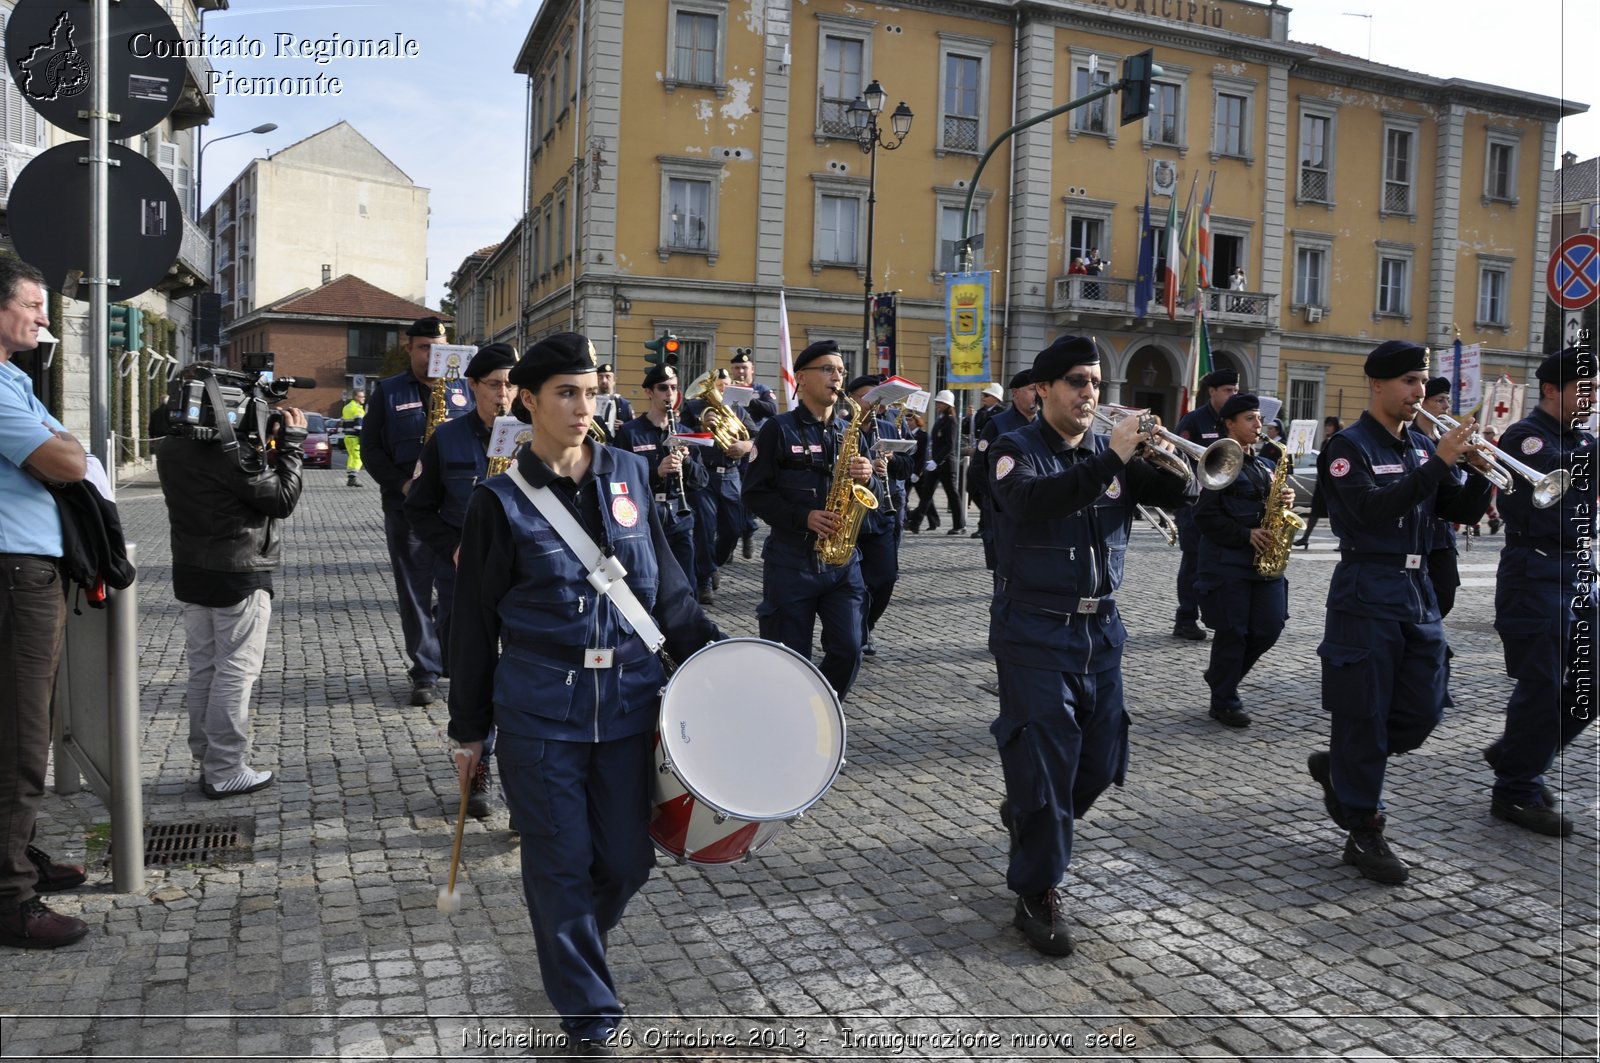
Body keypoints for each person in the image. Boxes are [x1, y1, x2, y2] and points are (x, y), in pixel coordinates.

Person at [447, 333, 723, 1054]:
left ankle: (569, 936)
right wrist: (469, 729)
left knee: (628, 860)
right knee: (560, 860)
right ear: (528, 400)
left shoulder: (630, 471)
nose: (581, 406)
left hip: (631, 700)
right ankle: (590, 1017)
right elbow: (473, 624)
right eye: (565, 393)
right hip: (541, 709)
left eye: (590, 392)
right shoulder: (499, 502)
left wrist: (721, 663)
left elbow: (667, 587)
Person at [987, 334, 1197, 956]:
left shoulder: (1117, 454)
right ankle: (1037, 887)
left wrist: (1162, 456)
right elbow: (1029, 503)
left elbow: (1187, 495)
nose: (1089, 394)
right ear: (1044, 388)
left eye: (1096, 384)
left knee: (1102, 761)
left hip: (1101, 631)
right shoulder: (1012, 450)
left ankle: (1031, 817)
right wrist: (1110, 459)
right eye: (1077, 382)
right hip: (1034, 630)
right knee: (1047, 768)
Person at [1307, 340, 1493, 884]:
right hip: (1368, 587)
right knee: (1363, 711)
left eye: (1423, 382)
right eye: (1410, 382)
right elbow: (1369, 511)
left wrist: (1478, 471)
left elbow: (1456, 508)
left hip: (1418, 589)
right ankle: (1365, 828)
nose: (1420, 394)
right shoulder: (1348, 447)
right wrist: (1439, 464)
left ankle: (1344, 772)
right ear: (1379, 384)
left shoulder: (1419, 444)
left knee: (1425, 707)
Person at [156, 359, 308, 802]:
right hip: (237, 572)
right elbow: (280, 499)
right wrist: (293, 446)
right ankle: (225, 769)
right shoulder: (231, 453)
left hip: (191, 571)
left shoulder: (171, 447)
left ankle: (207, 756)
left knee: (204, 667)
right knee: (235, 672)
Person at [0, 257, 92, 950]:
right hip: (13, 576)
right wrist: (63, 450)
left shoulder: (14, 379)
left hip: (30, 571)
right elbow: (68, 462)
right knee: (21, 736)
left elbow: (73, 452)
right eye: (34, 304)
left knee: (25, 723)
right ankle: (10, 896)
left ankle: (17, 856)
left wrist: (66, 449)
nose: (44, 316)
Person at [1484, 344, 1596, 837]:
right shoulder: (1526, 437)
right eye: (1584, 389)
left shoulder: (1585, 439)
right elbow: (1558, 485)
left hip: (1579, 568)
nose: (1592, 397)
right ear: (1552, 390)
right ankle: (1515, 790)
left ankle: (1517, 753)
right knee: (1543, 684)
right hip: (1535, 570)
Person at [403, 343, 518, 819]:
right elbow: (418, 508)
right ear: (472, 387)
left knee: (522, 677)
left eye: (511, 384)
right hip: (461, 579)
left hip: (519, 580)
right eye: (494, 384)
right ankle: (480, 765)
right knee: (472, 677)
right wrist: (451, 544)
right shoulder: (447, 439)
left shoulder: (533, 438)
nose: (504, 394)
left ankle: (519, 779)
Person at [742, 339, 879, 699]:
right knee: (787, 658)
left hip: (842, 563)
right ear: (802, 377)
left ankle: (821, 709)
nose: (838, 378)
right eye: (829, 369)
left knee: (849, 650)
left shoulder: (849, 431)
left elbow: (872, 493)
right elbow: (755, 493)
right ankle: (790, 717)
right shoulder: (778, 429)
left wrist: (869, 475)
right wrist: (804, 517)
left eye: (841, 371)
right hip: (792, 561)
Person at [361, 316, 474, 707]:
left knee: (458, 590)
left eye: (438, 347)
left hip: (456, 509)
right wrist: (402, 483)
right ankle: (424, 671)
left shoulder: (465, 389)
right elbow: (371, 449)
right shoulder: (388, 392)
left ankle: (452, 659)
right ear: (410, 348)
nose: (432, 355)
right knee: (415, 591)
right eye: (424, 347)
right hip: (407, 508)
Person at [1193, 394, 1294, 728]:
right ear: (1230, 424)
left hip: (1263, 565)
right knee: (1233, 633)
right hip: (1228, 563)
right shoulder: (1221, 462)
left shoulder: (1264, 465)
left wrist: (1283, 498)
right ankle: (1224, 700)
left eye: (1259, 419)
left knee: (1269, 628)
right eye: (1250, 418)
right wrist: (1245, 534)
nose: (1258, 425)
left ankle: (1221, 675)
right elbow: (1204, 516)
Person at [614, 364, 705, 594]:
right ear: (649, 392)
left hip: (679, 516)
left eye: (674, 388)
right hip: (646, 515)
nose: (669, 394)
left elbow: (701, 480)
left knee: (685, 585)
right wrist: (657, 472)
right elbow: (619, 482)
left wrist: (686, 462)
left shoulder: (686, 432)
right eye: (663, 388)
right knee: (648, 585)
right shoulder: (630, 432)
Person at [846, 374, 913, 657]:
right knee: (851, 581)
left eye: (877, 397)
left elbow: (909, 466)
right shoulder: (840, 427)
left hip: (881, 515)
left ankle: (866, 625)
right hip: (848, 515)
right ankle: (850, 631)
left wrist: (891, 461)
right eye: (867, 397)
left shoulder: (887, 427)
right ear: (852, 400)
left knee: (886, 578)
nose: (873, 403)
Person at [1172, 367, 1240, 640]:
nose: (1233, 395)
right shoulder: (1194, 421)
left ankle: (1213, 612)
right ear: (1212, 392)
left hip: (1221, 504)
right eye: (1228, 391)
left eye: (1235, 390)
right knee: (1192, 561)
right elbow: (1180, 460)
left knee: (1213, 561)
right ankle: (1185, 618)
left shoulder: (1230, 421)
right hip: (1194, 502)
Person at [682, 368, 756, 606]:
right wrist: (700, 427)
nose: (719, 392)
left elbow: (756, 438)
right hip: (703, 476)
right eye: (718, 386)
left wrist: (745, 446)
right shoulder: (694, 410)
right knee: (704, 527)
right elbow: (680, 436)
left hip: (731, 475)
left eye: (723, 387)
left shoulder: (738, 411)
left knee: (733, 529)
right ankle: (704, 579)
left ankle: (712, 564)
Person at [975, 370, 1039, 571]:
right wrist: (996, 501)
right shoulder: (997, 425)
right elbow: (978, 470)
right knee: (1005, 576)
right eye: (1031, 389)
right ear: (1015, 393)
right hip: (1004, 515)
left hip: (1036, 514)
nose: (1037, 394)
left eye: (1039, 389)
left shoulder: (1045, 426)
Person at [1416, 378, 1464, 620]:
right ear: (1422, 403)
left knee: (1445, 597)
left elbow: (1455, 486)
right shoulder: (1411, 436)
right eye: (1439, 400)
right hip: (1419, 534)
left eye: (1448, 400)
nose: (1446, 406)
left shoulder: (1446, 440)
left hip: (1443, 536)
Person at [728, 349, 776, 559]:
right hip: (733, 446)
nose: (740, 372)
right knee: (731, 497)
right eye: (737, 368)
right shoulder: (727, 389)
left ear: (752, 370)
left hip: (756, 447)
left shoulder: (762, 389)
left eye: (744, 368)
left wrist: (747, 398)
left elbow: (772, 409)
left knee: (749, 492)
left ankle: (747, 531)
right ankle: (728, 541)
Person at [908, 390, 964, 534]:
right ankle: (915, 523)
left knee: (952, 495)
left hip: (946, 464)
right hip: (935, 464)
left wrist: (936, 461)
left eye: (940, 403)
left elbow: (949, 445)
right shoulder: (940, 419)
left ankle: (959, 525)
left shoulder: (951, 420)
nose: (938, 405)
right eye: (938, 402)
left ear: (947, 404)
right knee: (926, 494)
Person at [1294, 416, 1344, 548]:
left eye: (1330, 425)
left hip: (1333, 483)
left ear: (1336, 427)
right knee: (1315, 512)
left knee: (1338, 514)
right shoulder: (1325, 442)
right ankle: (1305, 538)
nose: (1327, 427)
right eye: (1326, 425)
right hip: (1322, 482)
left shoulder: (1339, 441)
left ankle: (1344, 541)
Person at [593, 362, 633, 441]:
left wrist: (624, 426)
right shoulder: (588, 401)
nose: (604, 381)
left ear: (614, 380)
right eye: (600, 377)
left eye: (608, 377)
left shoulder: (623, 404)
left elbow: (633, 430)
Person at [341, 389, 366, 487]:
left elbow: (343, 422)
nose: (364, 398)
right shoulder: (358, 408)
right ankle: (353, 478)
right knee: (358, 457)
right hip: (355, 437)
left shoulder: (346, 407)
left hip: (347, 436)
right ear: (356, 397)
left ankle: (350, 478)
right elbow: (358, 426)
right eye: (362, 396)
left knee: (351, 457)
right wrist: (362, 438)